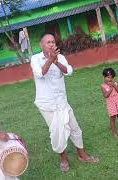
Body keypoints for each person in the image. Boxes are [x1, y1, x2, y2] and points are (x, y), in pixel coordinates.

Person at [30, 33, 99, 172]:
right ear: (41, 45)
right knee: (57, 132)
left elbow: (69, 71)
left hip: (62, 102)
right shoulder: (35, 59)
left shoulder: (60, 57)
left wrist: (56, 61)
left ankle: (82, 154)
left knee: (75, 128)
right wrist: (50, 60)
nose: (51, 44)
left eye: (53, 42)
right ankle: (63, 158)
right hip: (47, 105)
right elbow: (40, 74)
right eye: (48, 42)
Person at [100, 67, 118, 139]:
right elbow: (105, 95)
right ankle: (114, 133)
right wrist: (111, 89)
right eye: (108, 77)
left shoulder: (115, 83)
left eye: (111, 77)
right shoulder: (103, 86)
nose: (110, 79)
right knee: (113, 118)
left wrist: (114, 86)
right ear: (104, 77)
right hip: (111, 103)